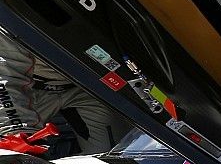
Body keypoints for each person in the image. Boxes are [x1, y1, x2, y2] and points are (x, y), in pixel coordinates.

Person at [0, 31, 129, 156]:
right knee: (15, 150)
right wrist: (16, 132)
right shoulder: (10, 18)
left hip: (87, 88)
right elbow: (6, 79)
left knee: (113, 156)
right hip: (29, 90)